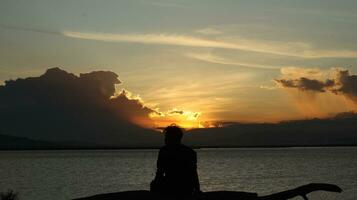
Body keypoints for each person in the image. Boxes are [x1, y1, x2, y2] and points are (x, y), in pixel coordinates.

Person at [151, 125, 201, 197]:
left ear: (173, 138)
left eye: (167, 137)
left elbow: (160, 173)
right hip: (186, 187)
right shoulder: (189, 152)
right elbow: (193, 173)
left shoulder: (164, 151)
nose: (165, 139)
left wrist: (155, 185)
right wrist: (197, 189)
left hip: (170, 186)